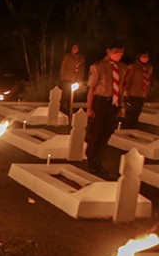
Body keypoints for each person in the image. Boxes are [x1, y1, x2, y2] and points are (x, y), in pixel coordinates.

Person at [85, 41, 126, 175]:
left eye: (121, 52)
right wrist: (89, 107)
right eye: (116, 52)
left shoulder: (122, 67)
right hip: (100, 102)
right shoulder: (98, 66)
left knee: (107, 134)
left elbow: (121, 88)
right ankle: (91, 161)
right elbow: (91, 88)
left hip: (113, 104)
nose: (119, 54)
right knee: (96, 133)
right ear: (108, 51)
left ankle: (99, 162)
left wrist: (120, 106)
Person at [122, 49, 153, 129]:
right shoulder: (133, 67)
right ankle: (125, 130)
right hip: (132, 94)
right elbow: (127, 80)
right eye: (143, 56)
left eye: (146, 57)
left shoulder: (148, 67)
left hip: (141, 95)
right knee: (129, 115)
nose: (145, 58)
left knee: (136, 115)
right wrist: (126, 92)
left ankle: (132, 129)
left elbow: (148, 80)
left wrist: (146, 92)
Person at [60, 43, 86, 113]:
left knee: (73, 94)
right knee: (65, 93)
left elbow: (82, 69)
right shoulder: (67, 56)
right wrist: (62, 76)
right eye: (74, 48)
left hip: (76, 79)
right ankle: (63, 107)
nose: (75, 49)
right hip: (67, 78)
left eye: (76, 48)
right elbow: (63, 66)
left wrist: (80, 78)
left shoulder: (81, 57)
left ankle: (71, 107)